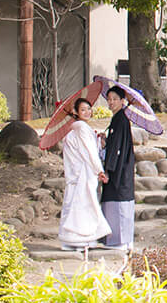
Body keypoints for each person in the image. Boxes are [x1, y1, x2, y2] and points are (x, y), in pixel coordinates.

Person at [58, 97, 111, 251]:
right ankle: (82, 239)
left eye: (89, 109)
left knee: (76, 203)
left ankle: (72, 239)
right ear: (76, 112)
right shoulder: (81, 128)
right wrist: (99, 170)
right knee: (84, 204)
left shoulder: (77, 129)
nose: (87, 112)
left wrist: (97, 139)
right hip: (84, 173)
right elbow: (89, 153)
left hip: (78, 173)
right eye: (83, 110)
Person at [100, 85, 137, 251]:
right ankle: (118, 240)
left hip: (119, 169)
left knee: (120, 204)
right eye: (109, 99)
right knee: (115, 204)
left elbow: (117, 148)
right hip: (118, 166)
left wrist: (108, 169)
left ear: (123, 101)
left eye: (115, 99)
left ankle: (120, 241)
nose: (111, 102)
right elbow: (113, 144)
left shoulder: (121, 120)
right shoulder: (117, 119)